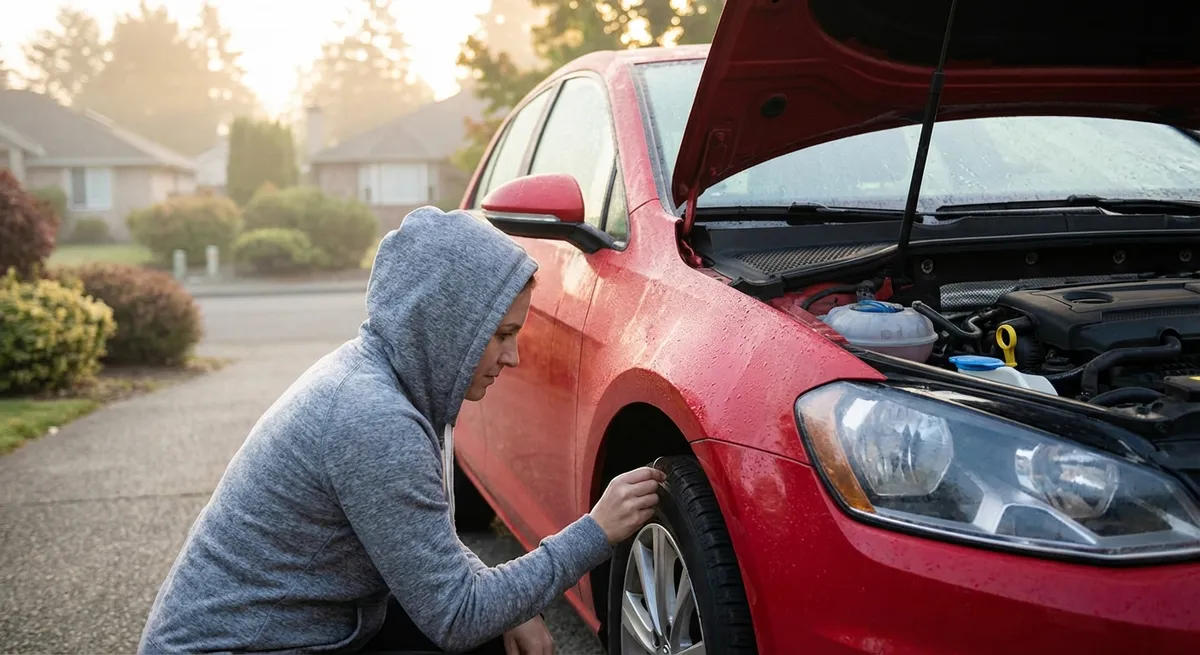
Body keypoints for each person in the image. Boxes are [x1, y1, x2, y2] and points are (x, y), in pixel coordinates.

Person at [138, 207, 665, 654]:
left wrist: (511, 607)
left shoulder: (381, 377)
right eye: (501, 334)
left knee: (487, 622)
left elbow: (424, 549)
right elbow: (456, 616)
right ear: (447, 326)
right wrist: (595, 533)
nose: (514, 356)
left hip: (289, 636)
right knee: (472, 630)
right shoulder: (372, 420)